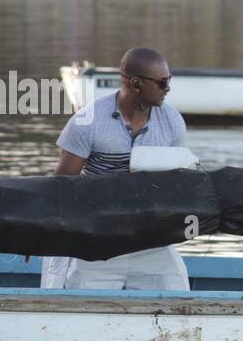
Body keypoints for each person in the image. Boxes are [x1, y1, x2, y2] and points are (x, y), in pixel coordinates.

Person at [42, 48, 189, 291]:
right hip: (97, 238)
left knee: (178, 294)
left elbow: (178, 183)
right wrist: (40, 232)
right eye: (162, 82)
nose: (168, 88)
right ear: (135, 83)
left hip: (150, 240)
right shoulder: (87, 122)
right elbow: (61, 187)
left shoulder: (173, 122)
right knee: (81, 304)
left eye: (169, 79)